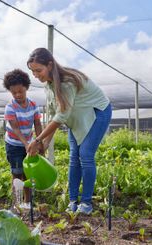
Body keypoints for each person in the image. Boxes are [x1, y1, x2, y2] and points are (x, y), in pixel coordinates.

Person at [26, 48, 112, 215]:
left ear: (49, 65)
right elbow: (53, 115)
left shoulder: (66, 82)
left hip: (98, 112)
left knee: (85, 155)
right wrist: (45, 142)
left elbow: (61, 116)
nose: (35, 75)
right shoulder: (49, 86)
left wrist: (37, 140)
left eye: (38, 70)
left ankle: (86, 203)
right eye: (33, 71)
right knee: (74, 157)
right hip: (77, 117)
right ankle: (73, 201)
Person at [3, 68, 43, 209]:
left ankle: (28, 202)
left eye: (21, 91)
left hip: (29, 143)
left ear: (26, 87)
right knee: (17, 173)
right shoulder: (10, 107)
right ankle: (17, 203)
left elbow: (37, 124)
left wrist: (39, 142)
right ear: (10, 91)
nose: (18, 95)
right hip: (14, 144)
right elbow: (15, 128)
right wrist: (27, 144)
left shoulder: (33, 105)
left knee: (28, 173)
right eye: (14, 92)